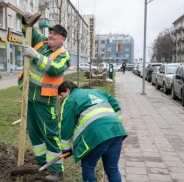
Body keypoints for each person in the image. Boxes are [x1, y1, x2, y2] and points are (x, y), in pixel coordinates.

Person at [19, 12, 71, 182]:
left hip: (46, 100)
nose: (51, 36)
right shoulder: (42, 42)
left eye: (55, 34)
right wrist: (25, 21)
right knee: (34, 133)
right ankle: (42, 164)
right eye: (50, 33)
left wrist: (35, 55)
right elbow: (28, 30)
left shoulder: (64, 54)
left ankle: (56, 169)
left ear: (62, 38)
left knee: (50, 134)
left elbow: (55, 68)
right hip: (30, 97)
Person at [58, 81, 127, 182]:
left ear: (67, 91)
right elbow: (115, 104)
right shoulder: (97, 92)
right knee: (112, 168)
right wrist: (116, 123)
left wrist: (66, 148)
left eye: (61, 95)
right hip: (116, 132)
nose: (61, 98)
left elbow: (66, 127)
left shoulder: (70, 100)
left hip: (96, 136)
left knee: (88, 166)